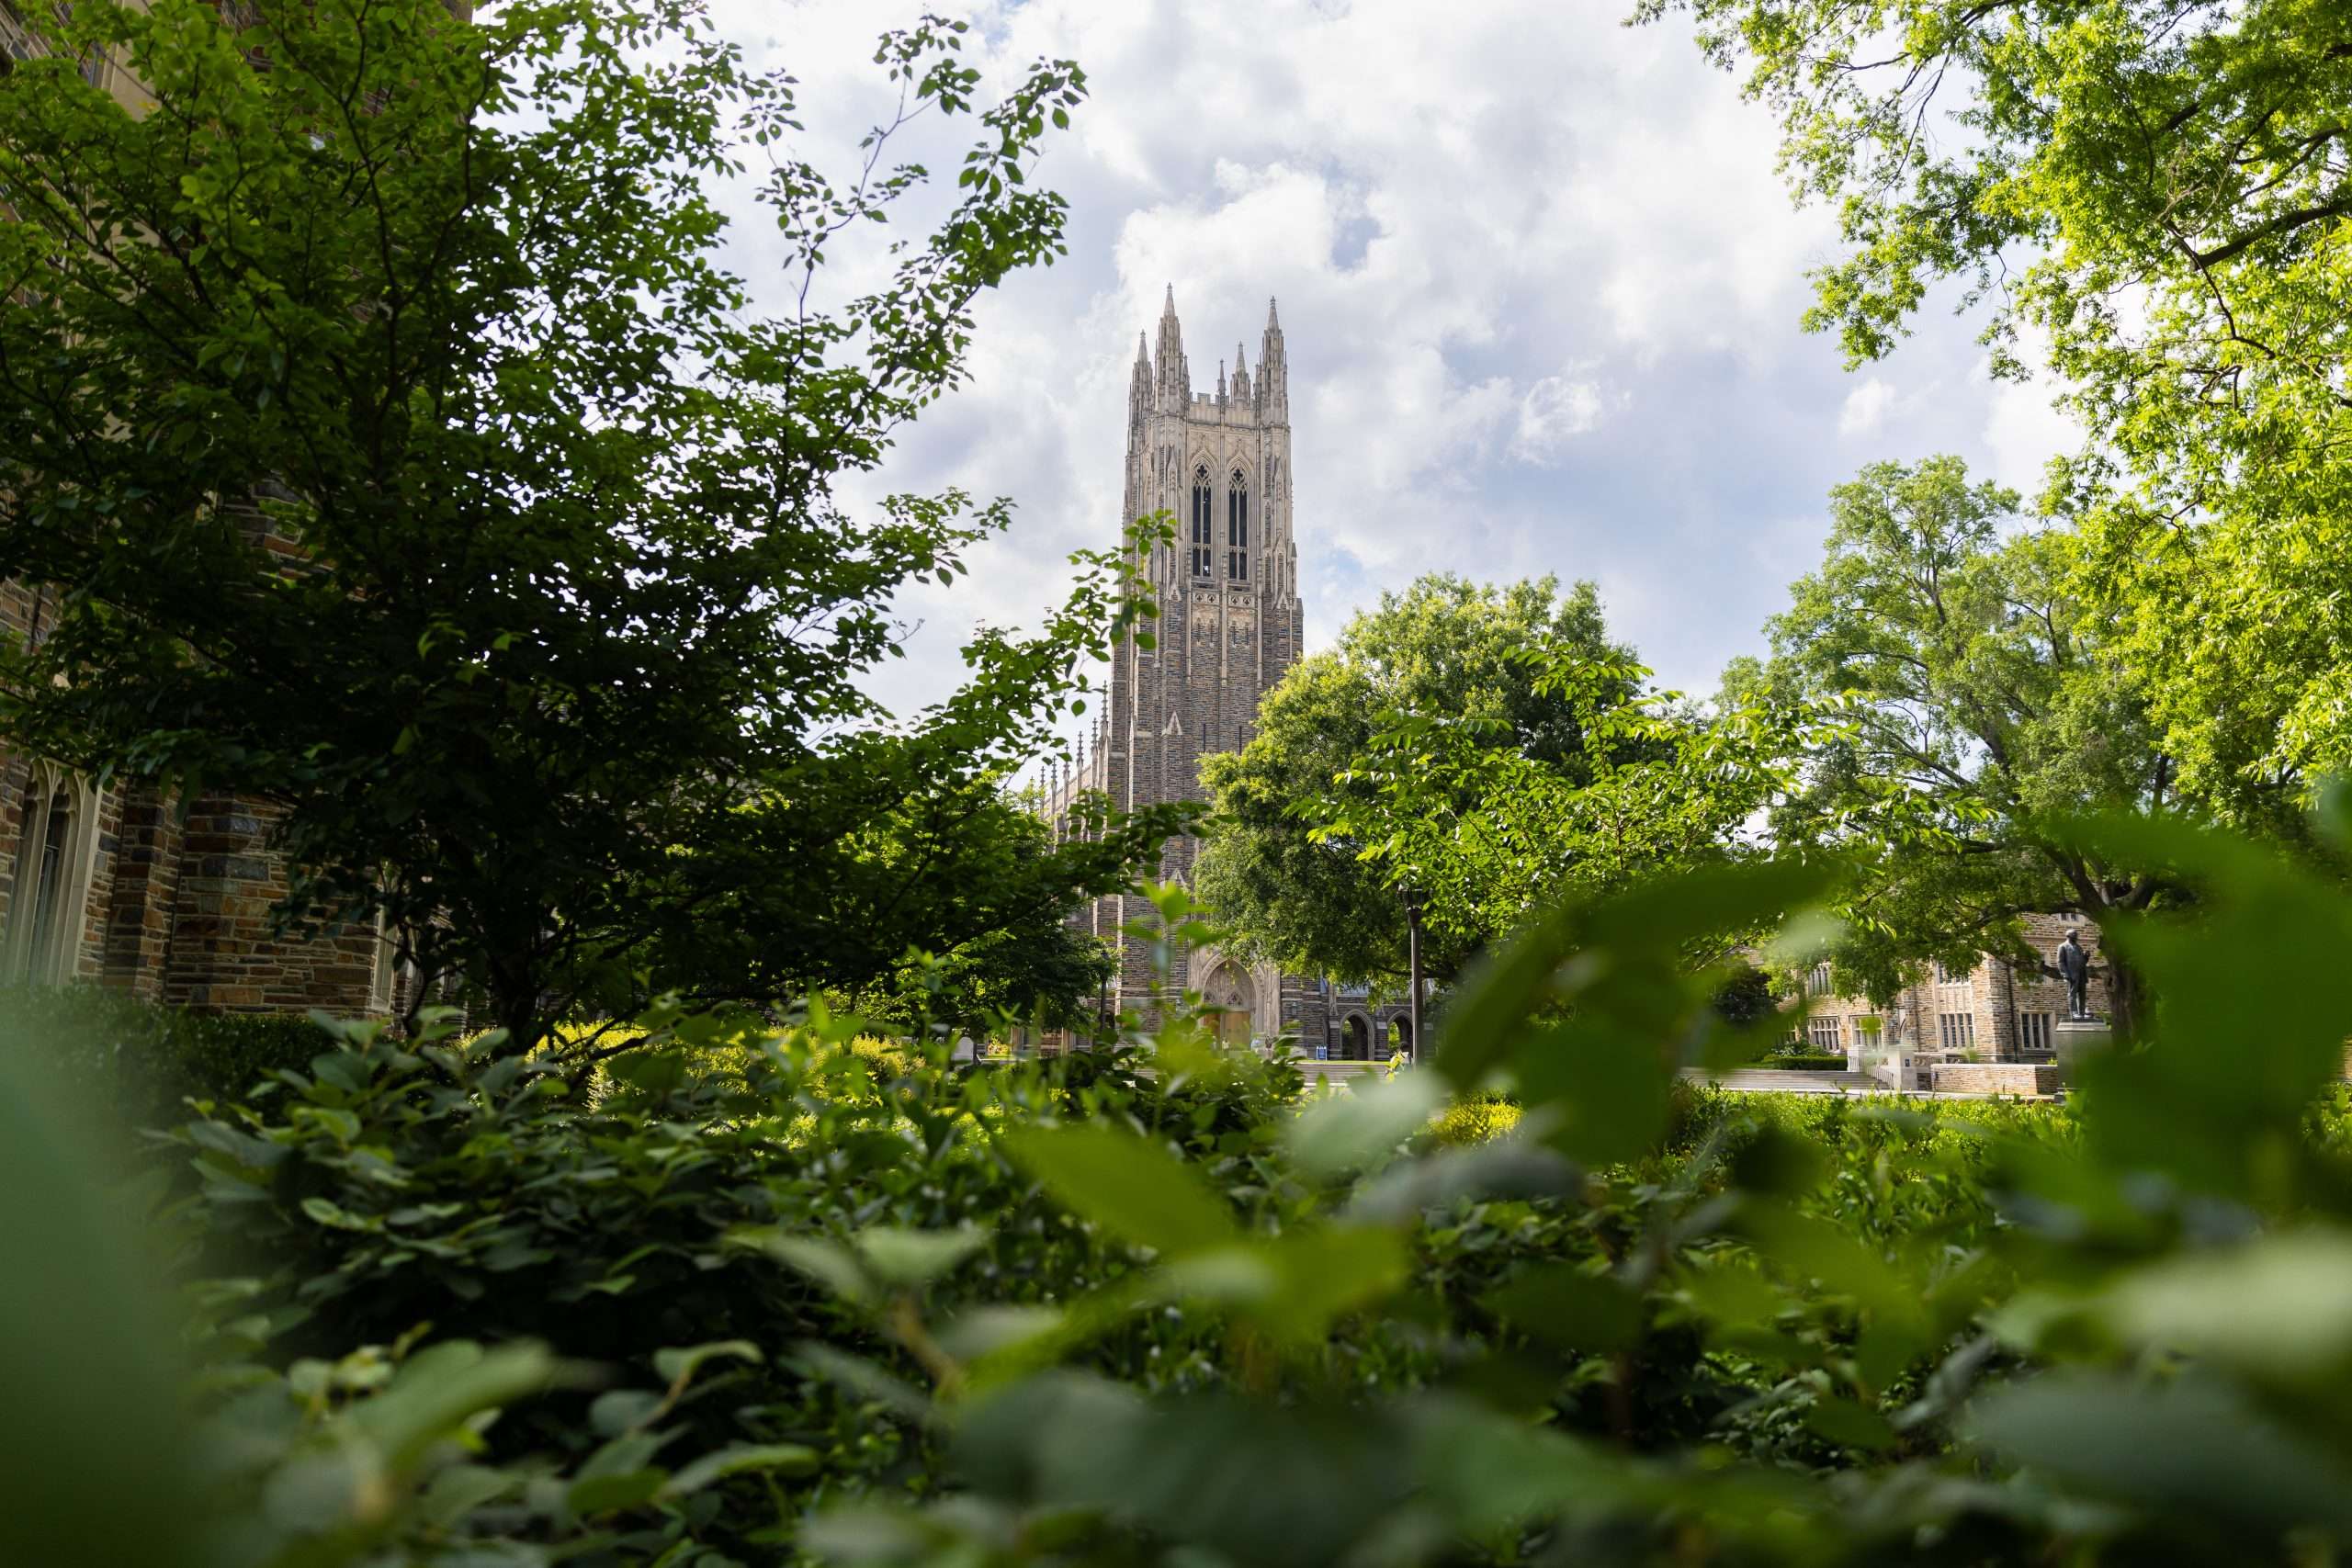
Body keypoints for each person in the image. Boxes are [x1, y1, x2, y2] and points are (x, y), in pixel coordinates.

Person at [2056, 928, 2093, 1020]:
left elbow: (2082, 962)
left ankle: (2082, 1012)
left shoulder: (2079, 947)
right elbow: (2060, 962)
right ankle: (2074, 1012)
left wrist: (2086, 957)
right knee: (2072, 994)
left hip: (2081, 974)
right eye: (2074, 935)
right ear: (2068, 936)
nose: (2077, 936)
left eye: (2076, 935)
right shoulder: (2063, 946)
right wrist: (2065, 974)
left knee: (2082, 994)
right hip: (2071, 974)